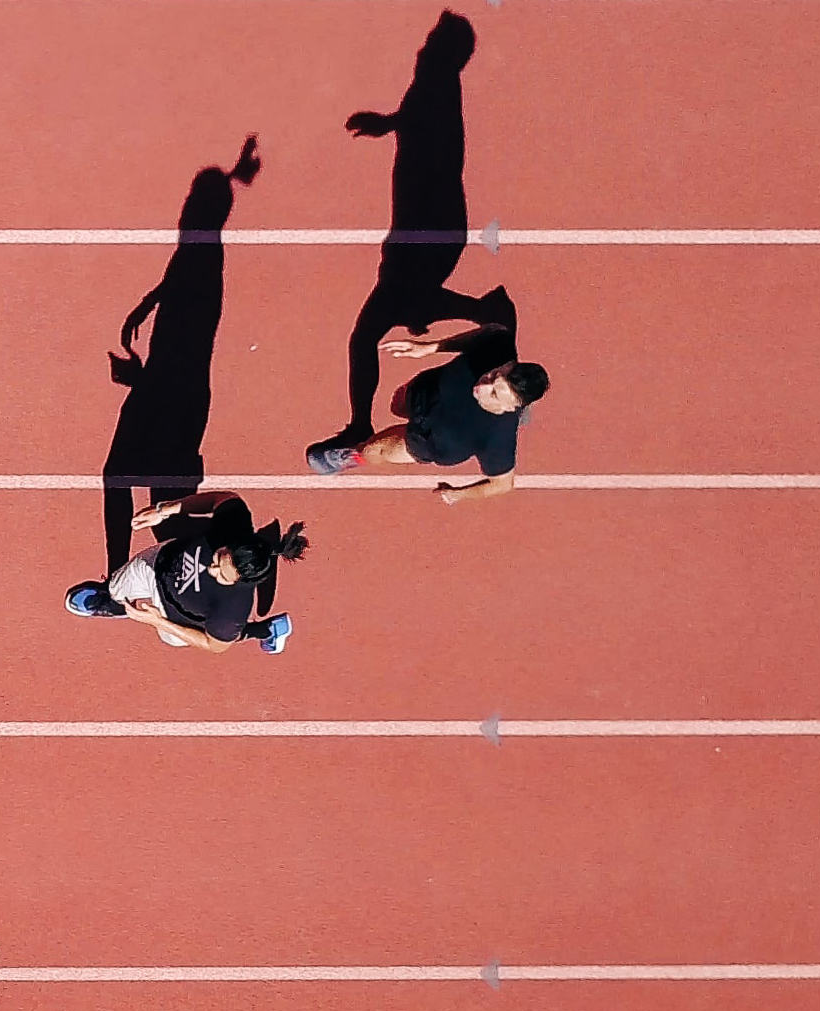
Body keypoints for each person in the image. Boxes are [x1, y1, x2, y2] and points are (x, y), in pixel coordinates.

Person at [303, 11, 515, 466]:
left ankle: (485, 316)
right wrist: (391, 123)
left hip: (428, 230)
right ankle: (483, 314)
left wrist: (396, 129)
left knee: (370, 332)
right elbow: (425, 128)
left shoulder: (437, 87)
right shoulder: (434, 87)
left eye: (432, 41)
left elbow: (438, 146)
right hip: (428, 230)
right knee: (403, 310)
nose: (422, 48)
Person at [98, 137, 261, 573]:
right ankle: (123, 574)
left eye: (191, 202)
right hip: (171, 391)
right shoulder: (197, 252)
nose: (184, 209)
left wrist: (141, 379)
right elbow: (178, 285)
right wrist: (147, 304)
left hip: (171, 395)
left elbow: (186, 344)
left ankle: (227, 557)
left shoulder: (203, 258)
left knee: (147, 498)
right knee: (153, 502)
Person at [306, 306, 548, 505]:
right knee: (397, 405)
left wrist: (459, 494)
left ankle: (354, 456)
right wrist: (431, 347)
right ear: (506, 365)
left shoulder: (498, 437)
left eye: (494, 394)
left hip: (430, 441)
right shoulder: (498, 345)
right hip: (426, 391)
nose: (482, 387)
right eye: (492, 376)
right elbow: (488, 333)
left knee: (374, 450)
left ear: (511, 407)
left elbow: (503, 484)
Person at [65, 492, 303, 653]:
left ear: (241, 582)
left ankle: (263, 630)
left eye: (222, 575)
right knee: (116, 588)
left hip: (175, 617)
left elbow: (215, 645)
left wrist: (159, 621)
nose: (210, 568)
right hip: (157, 564)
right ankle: (115, 602)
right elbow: (222, 499)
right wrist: (164, 510)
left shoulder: (234, 607)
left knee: (184, 637)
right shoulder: (234, 525)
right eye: (219, 557)